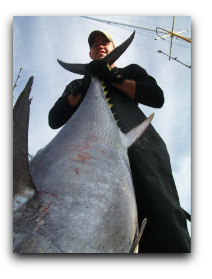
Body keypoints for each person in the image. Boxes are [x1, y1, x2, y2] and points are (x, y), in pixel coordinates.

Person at [48, 30, 191, 253]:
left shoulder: (130, 71)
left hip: (141, 144)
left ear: (113, 49)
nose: (100, 46)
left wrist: (113, 77)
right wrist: (87, 82)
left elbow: (156, 97)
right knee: (89, 214)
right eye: (95, 44)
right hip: (89, 154)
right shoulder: (77, 84)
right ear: (90, 52)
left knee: (159, 206)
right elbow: (54, 119)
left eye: (105, 43)